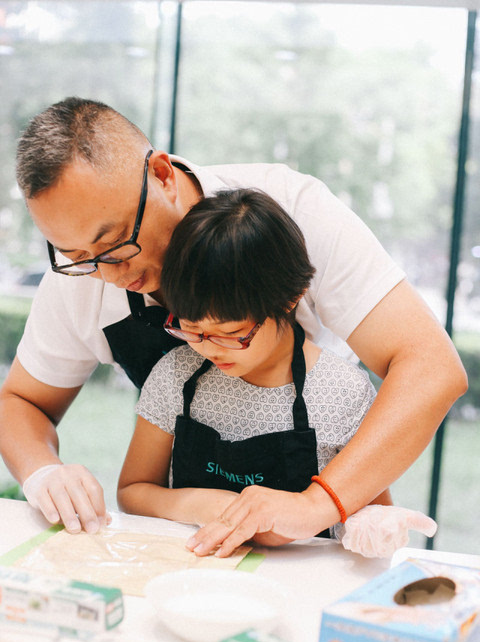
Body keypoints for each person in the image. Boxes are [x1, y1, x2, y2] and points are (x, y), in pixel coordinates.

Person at [0, 97, 466, 535]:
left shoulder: (292, 213)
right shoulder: (80, 277)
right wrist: (42, 471)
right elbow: (20, 402)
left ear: (162, 174)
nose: (107, 273)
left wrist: (316, 506)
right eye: (77, 254)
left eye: (117, 241)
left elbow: (430, 368)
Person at [117, 189, 437, 557]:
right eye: (191, 328)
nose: (207, 347)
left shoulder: (341, 393)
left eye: (231, 333)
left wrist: (373, 526)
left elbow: (369, 509)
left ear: (289, 298)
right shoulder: (177, 374)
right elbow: (132, 490)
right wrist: (207, 506)